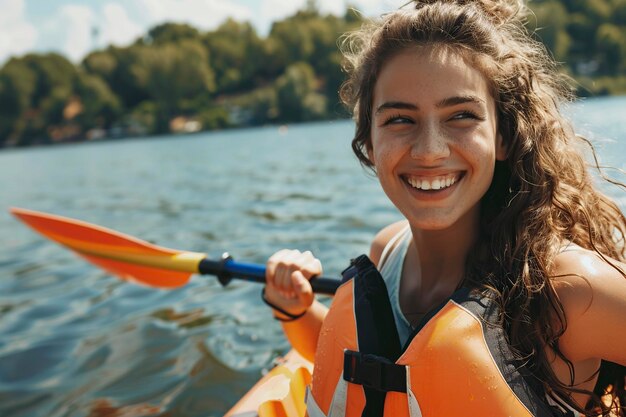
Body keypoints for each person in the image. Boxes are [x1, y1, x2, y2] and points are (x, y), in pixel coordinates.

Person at [262, 1, 626, 416]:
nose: (430, 150)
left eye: (461, 116)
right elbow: (370, 373)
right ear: (369, 141)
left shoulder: (569, 288)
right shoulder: (387, 253)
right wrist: (296, 310)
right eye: (400, 119)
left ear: (504, 136)